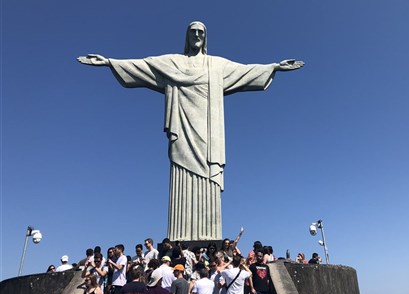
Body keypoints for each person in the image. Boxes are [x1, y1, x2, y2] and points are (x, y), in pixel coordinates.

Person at [77, 21, 304, 242]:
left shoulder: (217, 65)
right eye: (193, 32)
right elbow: (144, 65)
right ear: (187, 36)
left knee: (207, 171)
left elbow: (245, 71)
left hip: (208, 128)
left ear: (205, 38)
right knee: (181, 169)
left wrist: (274, 66)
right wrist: (109, 62)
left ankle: (208, 235)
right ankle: (179, 235)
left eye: (200, 33)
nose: (196, 36)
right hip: (183, 126)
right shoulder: (173, 62)